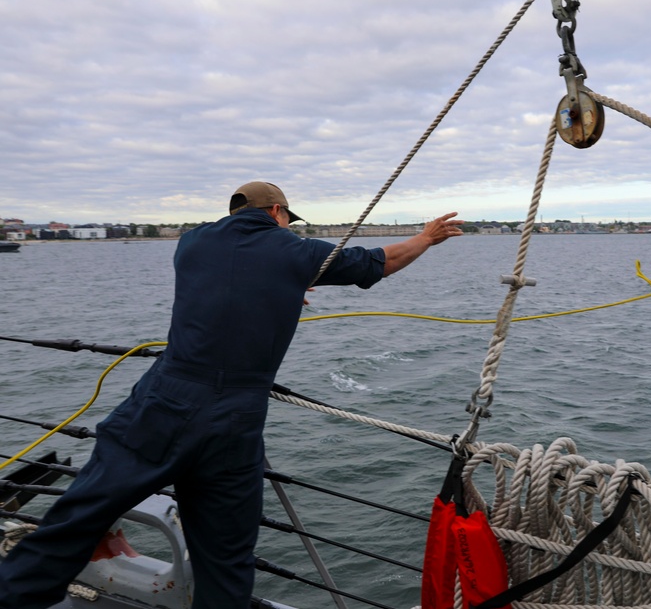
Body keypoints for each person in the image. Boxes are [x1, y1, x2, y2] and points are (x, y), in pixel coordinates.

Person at [0, 181, 464, 608]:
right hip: (236, 418)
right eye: (288, 220)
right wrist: (426, 237)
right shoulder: (294, 250)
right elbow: (380, 261)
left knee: (79, 516)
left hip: (165, 401)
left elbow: (232, 275)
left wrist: (280, 285)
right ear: (277, 211)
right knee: (225, 557)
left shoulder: (192, 242)